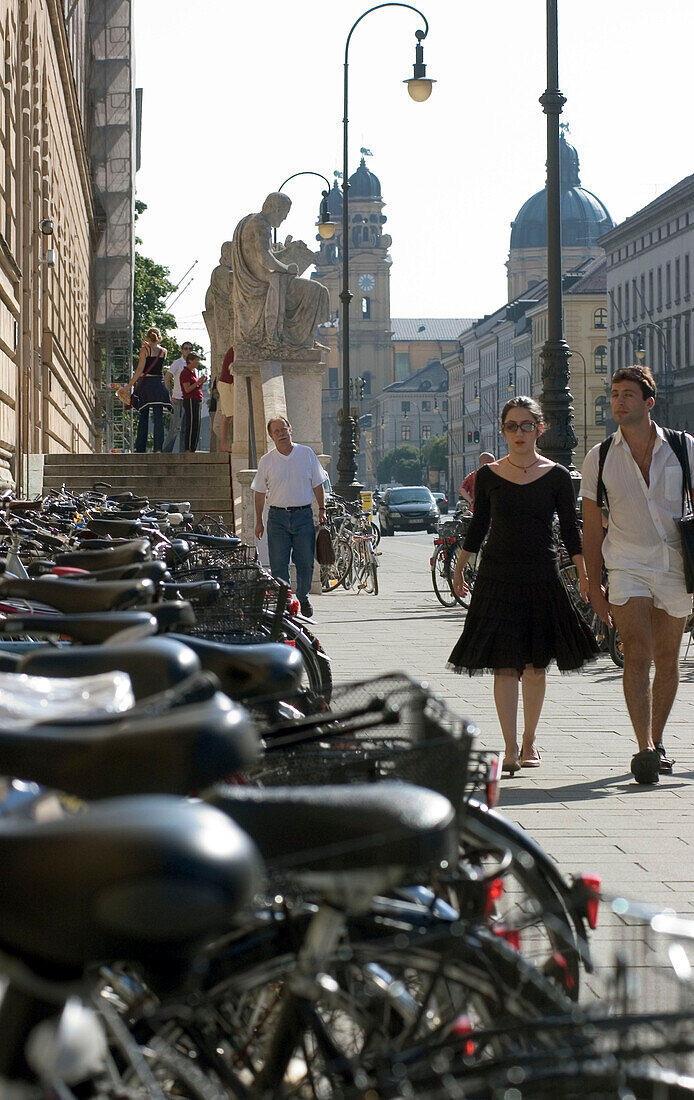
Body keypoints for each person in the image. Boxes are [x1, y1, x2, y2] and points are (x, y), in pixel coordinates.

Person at [449, 397, 598, 774]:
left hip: (540, 576)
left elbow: (569, 531)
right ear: (503, 430)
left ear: (540, 429)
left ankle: (530, 740)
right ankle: (510, 747)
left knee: (534, 667)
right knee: (504, 666)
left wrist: (583, 575)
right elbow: (479, 524)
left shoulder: (558, 476)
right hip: (497, 577)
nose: (519, 432)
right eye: (512, 426)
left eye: (527, 425)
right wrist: (460, 566)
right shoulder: (488, 476)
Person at [582, 365, 694, 785]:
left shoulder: (684, 448)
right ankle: (643, 746)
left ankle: (658, 740)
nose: (618, 400)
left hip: (675, 564)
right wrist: (593, 584)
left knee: (668, 659)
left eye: (627, 394)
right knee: (639, 653)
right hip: (626, 564)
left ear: (649, 402)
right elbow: (591, 526)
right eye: (614, 394)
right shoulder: (601, 456)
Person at [231, 193, 329, 353]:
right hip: (264, 281)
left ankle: (306, 338)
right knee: (317, 290)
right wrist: (287, 268)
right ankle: (302, 340)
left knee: (315, 290)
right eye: (284, 214)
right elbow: (264, 259)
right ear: (275, 209)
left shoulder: (249, 220)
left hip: (261, 278)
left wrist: (287, 251)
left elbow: (261, 256)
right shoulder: (261, 224)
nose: (283, 219)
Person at [252, 416, 327, 618]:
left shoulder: (306, 454)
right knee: (278, 564)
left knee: (305, 562)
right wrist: (259, 520)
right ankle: (284, 600)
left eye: (284, 429)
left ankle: (302, 596)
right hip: (277, 518)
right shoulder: (266, 461)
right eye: (276, 431)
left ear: (290, 429)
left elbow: (317, 484)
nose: (281, 434)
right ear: (271, 436)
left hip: (303, 516)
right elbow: (259, 492)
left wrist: (322, 509)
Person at [126, 328, 172, 453]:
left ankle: (140, 448)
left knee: (143, 415)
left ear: (147, 337)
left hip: (146, 384)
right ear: (159, 337)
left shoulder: (145, 349)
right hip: (158, 384)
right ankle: (158, 448)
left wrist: (129, 386)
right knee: (158, 417)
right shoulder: (164, 352)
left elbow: (140, 369)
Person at [162, 340, 193, 453]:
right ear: (182, 350)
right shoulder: (177, 363)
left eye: (190, 348)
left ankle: (183, 452)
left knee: (186, 428)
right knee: (175, 427)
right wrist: (168, 395)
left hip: (189, 399)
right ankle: (166, 451)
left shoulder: (192, 364)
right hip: (177, 398)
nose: (188, 350)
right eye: (185, 348)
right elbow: (167, 377)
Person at [180, 352, 204, 453]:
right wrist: (198, 382)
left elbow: (197, 387)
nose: (198, 362)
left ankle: (193, 447)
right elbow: (187, 389)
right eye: (196, 360)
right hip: (190, 399)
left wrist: (200, 382)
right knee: (191, 423)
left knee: (196, 424)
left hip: (197, 399)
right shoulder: (185, 373)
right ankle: (188, 447)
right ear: (190, 361)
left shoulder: (193, 372)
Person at [217, 345, 234, 452]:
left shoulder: (233, 348)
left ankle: (224, 444)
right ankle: (223, 445)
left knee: (226, 416)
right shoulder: (235, 349)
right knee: (228, 416)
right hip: (228, 384)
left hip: (227, 384)